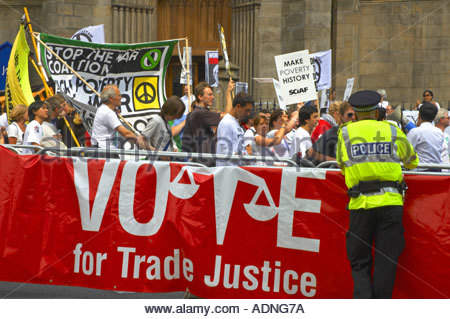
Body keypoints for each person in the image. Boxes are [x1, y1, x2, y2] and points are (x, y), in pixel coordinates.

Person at [336, 90, 418, 298]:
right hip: (391, 203)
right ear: (376, 110)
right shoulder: (391, 130)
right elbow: (412, 161)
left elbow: (342, 166)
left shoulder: (345, 132)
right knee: (386, 261)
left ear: (354, 112)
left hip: (360, 205)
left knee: (360, 262)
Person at [181, 79, 234, 166]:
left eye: (212, 94)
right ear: (200, 97)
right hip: (204, 163)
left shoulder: (197, 113)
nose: (212, 97)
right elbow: (228, 117)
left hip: (205, 160)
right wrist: (228, 93)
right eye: (209, 94)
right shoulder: (200, 113)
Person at [91, 85, 142, 150]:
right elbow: (126, 134)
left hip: (100, 148)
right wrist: (143, 144)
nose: (121, 97)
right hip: (103, 151)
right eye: (119, 95)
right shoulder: (108, 113)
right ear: (111, 99)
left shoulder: (103, 109)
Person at [216, 92, 254, 166]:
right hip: (227, 171)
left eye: (249, 111)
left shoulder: (235, 122)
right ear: (238, 106)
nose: (248, 114)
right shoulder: (226, 123)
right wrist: (242, 155)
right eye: (246, 110)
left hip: (236, 169)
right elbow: (224, 151)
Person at [407, 102, 443, 166]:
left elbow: (407, 154)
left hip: (420, 172)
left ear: (419, 115)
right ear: (434, 117)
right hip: (437, 172)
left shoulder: (415, 131)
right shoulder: (439, 132)